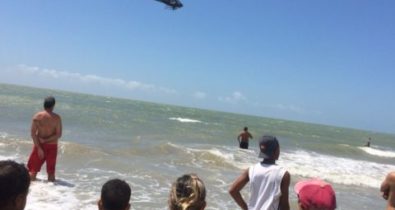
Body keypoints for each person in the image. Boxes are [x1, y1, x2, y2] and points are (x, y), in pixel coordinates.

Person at [229, 135, 290, 210]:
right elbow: (284, 205)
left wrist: (245, 208)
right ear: (276, 151)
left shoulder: (251, 170)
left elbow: (233, 190)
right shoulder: (283, 174)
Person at [27, 96, 62, 182]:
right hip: (52, 146)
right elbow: (59, 134)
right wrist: (47, 140)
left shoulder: (37, 116)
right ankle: (52, 192)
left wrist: (39, 148)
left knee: (33, 171)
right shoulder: (57, 118)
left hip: (39, 145)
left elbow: (33, 133)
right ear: (53, 106)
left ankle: (31, 191)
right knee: (51, 173)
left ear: (44, 105)